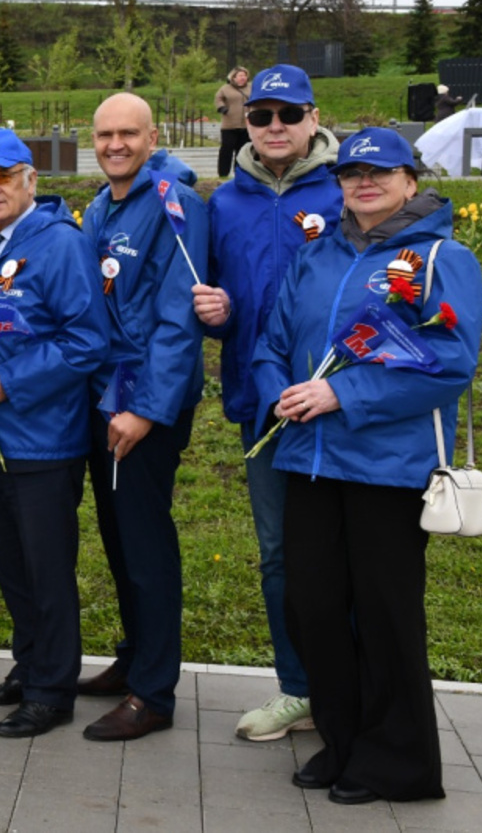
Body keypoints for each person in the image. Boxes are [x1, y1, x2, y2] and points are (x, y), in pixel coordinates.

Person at [252, 127, 482, 805]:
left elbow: (448, 365)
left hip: (386, 466)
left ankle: (402, 764)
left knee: (384, 615)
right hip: (310, 460)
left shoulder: (442, 258)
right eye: (352, 173)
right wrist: (280, 395)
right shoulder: (316, 256)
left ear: (412, 180)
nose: (364, 183)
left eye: (380, 172)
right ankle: (345, 740)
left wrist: (339, 392)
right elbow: (271, 342)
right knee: (314, 606)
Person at [191, 64, 341, 743]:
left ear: (314, 117)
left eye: (288, 114)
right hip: (264, 404)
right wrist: (215, 315)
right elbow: (218, 304)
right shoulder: (225, 203)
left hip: (341, 404)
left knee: (347, 551)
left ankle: (354, 684)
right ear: (244, 121)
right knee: (279, 553)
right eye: (261, 116)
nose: (274, 128)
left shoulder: (349, 190)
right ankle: (300, 688)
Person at [0, 130, 108, 738]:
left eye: (3, 177)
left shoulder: (61, 245)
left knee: (47, 569)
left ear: (30, 180)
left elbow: (87, 341)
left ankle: (53, 690)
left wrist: (10, 384)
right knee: (13, 565)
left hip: (44, 438)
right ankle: (30, 666)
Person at [77, 93, 207, 742]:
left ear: (152, 136)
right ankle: (134, 659)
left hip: (143, 405)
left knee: (146, 545)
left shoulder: (173, 203)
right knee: (121, 538)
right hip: (107, 398)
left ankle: (154, 692)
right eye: (105, 134)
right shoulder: (104, 203)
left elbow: (178, 319)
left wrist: (145, 411)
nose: (115, 144)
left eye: (129, 133)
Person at [215, 67, 251, 179]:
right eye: (240, 76)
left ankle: (239, 174)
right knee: (227, 149)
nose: (243, 78)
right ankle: (223, 174)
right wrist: (222, 108)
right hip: (229, 125)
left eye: (244, 75)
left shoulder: (251, 88)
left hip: (246, 125)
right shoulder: (225, 88)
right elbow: (218, 99)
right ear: (233, 77)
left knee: (242, 151)